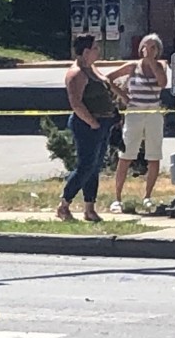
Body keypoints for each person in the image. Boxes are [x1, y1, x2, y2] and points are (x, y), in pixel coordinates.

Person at [57, 34, 124, 222]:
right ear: (85, 52)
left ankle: (89, 208)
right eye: (95, 48)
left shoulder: (92, 68)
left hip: (104, 123)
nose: (98, 51)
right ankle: (64, 204)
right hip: (87, 125)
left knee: (95, 167)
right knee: (85, 166)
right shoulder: (76, 74)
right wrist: (92, 123)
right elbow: (76, 103)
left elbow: (106, 83)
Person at [105, 33, 168, 213]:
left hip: (154, 113)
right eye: (145, 47)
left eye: (152, 47)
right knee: (127, 154)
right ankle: (117, 198)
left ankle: (147, 196)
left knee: (153, 154)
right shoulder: (133, 67)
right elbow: (107, 78)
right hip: (135, 112)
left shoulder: (160, 65)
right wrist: (123, 95)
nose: (148, 50)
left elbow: (163, 83)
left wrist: (152, 63)